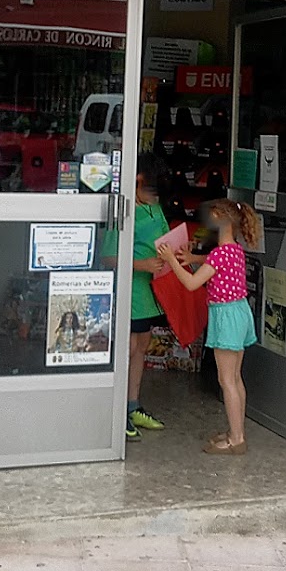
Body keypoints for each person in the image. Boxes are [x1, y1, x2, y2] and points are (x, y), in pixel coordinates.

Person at [157, 197, 261, 455]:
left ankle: (236, 439)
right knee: (236, 378)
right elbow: (213, 263)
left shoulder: (218, 254)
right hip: (239, 312)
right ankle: (237, 431)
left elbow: (192, 283)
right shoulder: (233, 249)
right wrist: (192, 256)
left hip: (225, 317)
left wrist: (171, 259)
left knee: (226, 380)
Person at [100, 152, 170, 440]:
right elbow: (108, 257)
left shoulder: (155, 208)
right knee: (127, 347)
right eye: (150, 189)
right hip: (130, 290)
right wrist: (141, 265)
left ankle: (133, 406)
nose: (154, 195)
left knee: (142, 345)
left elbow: (166, 238)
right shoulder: (123, 209)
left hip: (150, 293)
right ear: (138, 181)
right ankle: (116, 410)